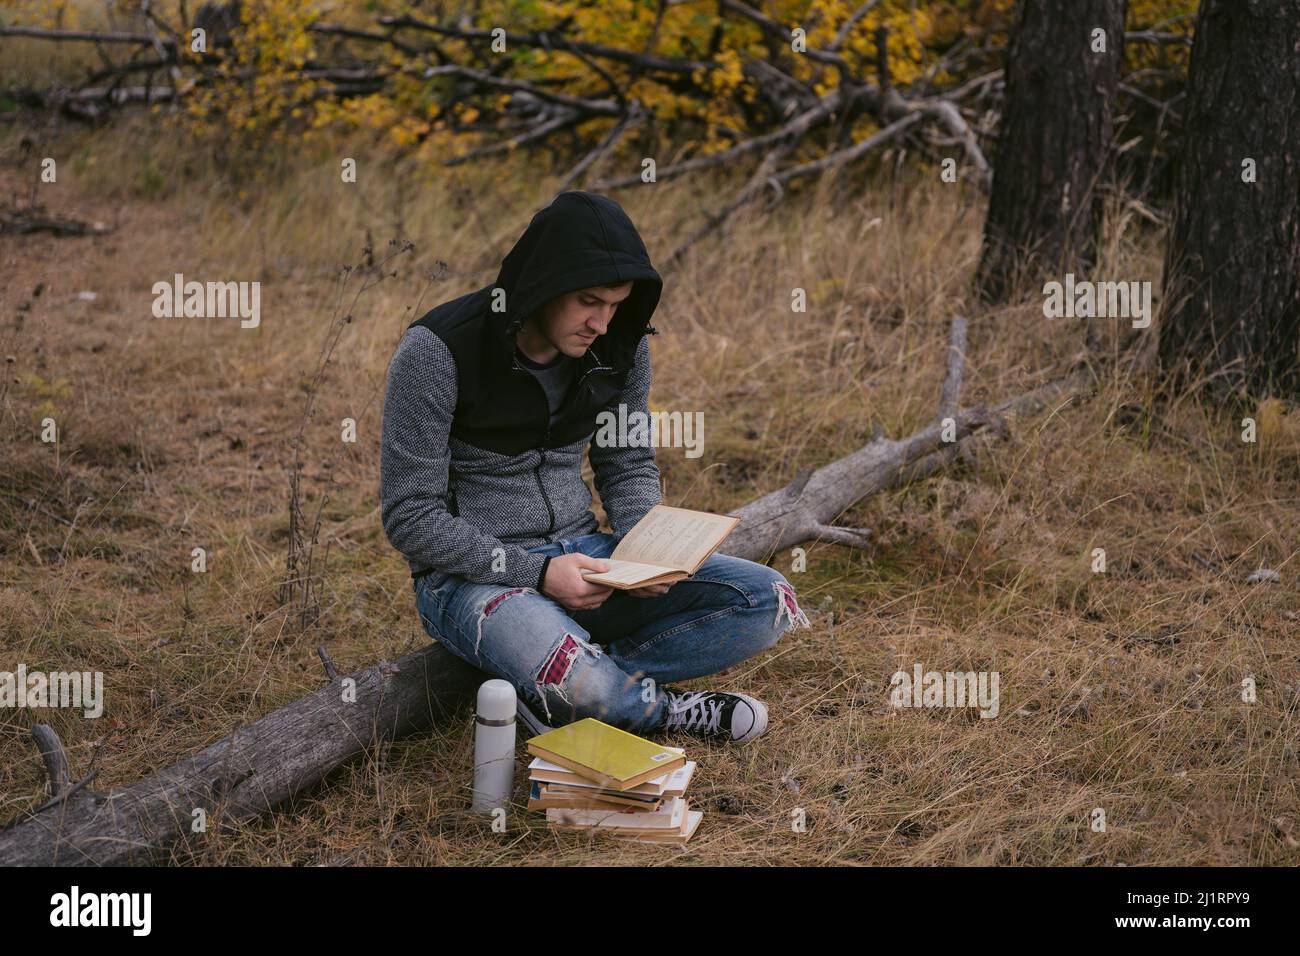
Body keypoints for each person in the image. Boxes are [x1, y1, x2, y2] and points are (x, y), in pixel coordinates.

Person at [380, 190, 809, 744]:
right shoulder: (438, 350)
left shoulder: (621, 346)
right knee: (572, 670)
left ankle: (570, 681)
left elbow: (625, 461)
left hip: (589, 558)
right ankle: (645, 707)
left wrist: (644, 550)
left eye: (615, 304)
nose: (601, 323)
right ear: (542, 285)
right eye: (588, 301)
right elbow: (411, 516)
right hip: (474, 580)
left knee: (764, 600)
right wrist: (534, 574)